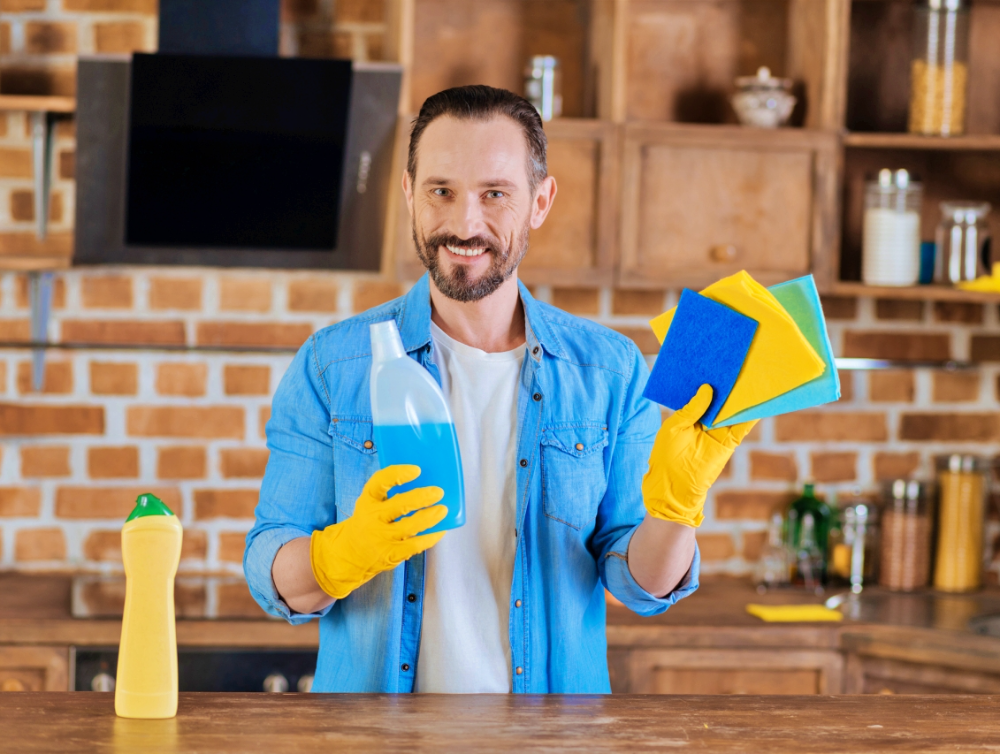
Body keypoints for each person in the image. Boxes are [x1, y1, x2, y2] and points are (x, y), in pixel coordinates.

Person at [244, 85, 755, 693]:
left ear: (540, 201)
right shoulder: (333, 364)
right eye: (441, 191)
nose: (465, 224)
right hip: (374, 733)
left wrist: (676, 509)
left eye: (495, 194)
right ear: (408, 193)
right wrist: (340, 555)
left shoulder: (610, 370)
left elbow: (640, 587)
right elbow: (273, 571)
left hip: (551, 734)